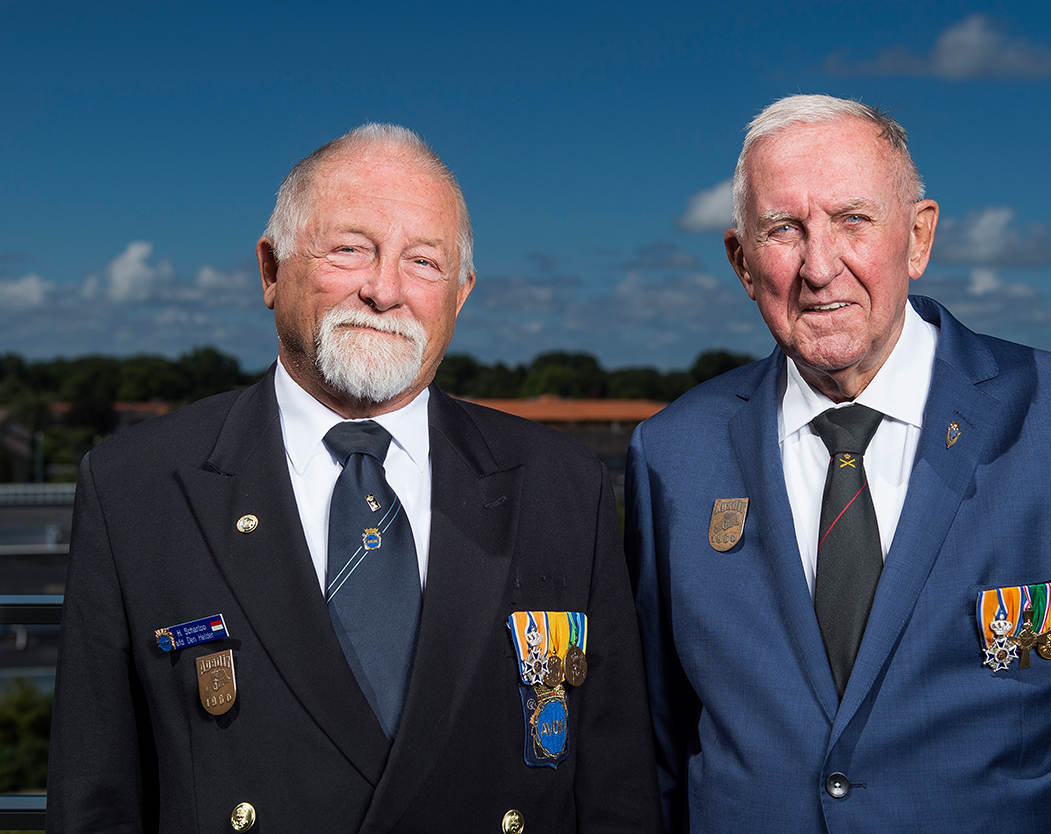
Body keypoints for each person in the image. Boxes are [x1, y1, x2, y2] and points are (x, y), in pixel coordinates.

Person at [625, 95, 1051, 832]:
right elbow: (652, 758)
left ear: (918, 237)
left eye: (853, 220)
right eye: (783, 229)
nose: (819, 266)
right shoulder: (671, 456)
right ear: (742, 262)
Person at [48, 123, 660, 832]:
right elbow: (95, 800)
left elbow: (616, 793)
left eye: (423, 261)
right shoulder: (136, 488)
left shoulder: (564, 487)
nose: (384, 290)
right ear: (271, 269)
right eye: (350, 249)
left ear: (460, 295)